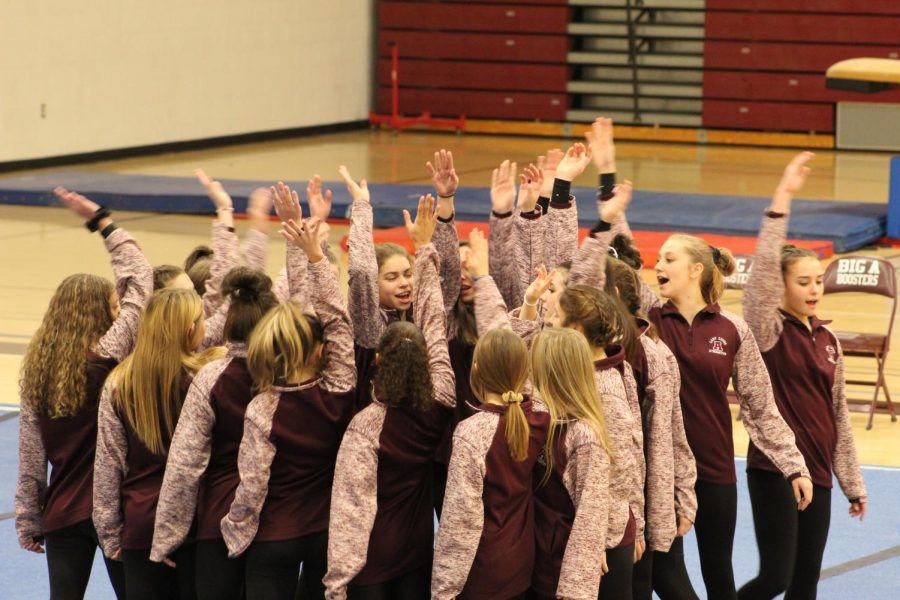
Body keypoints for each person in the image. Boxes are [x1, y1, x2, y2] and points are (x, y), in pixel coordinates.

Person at [612, 205, 813, 600]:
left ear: (696, 270)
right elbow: (626, 268)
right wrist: (613, 210)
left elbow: (760, 405)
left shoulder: (732, 329)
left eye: (670, 258)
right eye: (659, 259)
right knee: (665, 574)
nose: (659, 264)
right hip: (660, 471)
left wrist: (793, 466)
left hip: (716, 469)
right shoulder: (648, 320)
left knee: (718, 573)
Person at [150, 182, 315, 600]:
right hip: (279, 519)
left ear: (228, 321)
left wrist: (168, 533)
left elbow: (185, 464)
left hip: (220, 518)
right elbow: (291, 296)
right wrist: (297, 244)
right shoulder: (290, 369)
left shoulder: (212, 374)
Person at [738, 152, 867, 600]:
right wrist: (783, 198)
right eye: (804, 282)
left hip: (821, 472)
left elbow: (839, 416)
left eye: (818, 281)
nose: (814, 289)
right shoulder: (768, 330)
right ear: (782, 285)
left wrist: (852, 481)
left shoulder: (828, 338)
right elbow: (758, 285)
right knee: (776, 578)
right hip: (775, 469)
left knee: (805, 582)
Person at [16, 187, 152, 600]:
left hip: (62, 512)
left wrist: (28, 518)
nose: (118, 309)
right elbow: (141, 283)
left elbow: (30, 458)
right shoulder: (106, 359)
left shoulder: (38, 376)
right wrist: (103, 222)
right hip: (112, 511)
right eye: (112, 306)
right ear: (100, 313)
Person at [586, 117, 700, 600]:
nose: (652, 266)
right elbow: (610, 254)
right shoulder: (587, 341)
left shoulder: (655, 332)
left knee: (668, 582)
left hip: (656, 489)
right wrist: (606, 177)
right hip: (616, 496)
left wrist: (678, 493)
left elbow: (670, 431)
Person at [325, 194, 456, 599]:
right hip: (403, 531)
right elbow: (364, 280)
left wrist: (337, 580)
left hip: (379, 543)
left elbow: (432, 316)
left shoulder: (366, 428)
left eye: (408, 274)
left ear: (382, 361)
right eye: (393, 276)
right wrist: (425, 246)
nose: (405, 284)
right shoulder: (440, 396)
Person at [219, 215, 356, 600]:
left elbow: (253, 482)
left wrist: (236, 525)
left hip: (275, 536)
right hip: (324, 534)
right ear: (320, 350)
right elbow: (338, 323)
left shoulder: (263, 408)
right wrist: (317, 260)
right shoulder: (340, 388)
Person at [93, 286, 225, 600]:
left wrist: (110, 534)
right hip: (196, 524)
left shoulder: (117, 384)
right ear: (191, 330)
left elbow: (108, 467)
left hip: (140, 525)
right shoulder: (205, 379)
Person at [431, 327, 550, 600]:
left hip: (482, 574)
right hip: (521, 564)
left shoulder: (470, 434)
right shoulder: (539, 420)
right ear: (524, 374)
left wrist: (443, 590)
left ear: (476, 369)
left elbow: (460, 522)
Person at [529, 327, 612, 600]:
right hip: (536, 561)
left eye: (535, 364)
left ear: (550, 373)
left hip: (560, 574)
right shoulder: (542, 418)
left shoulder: (584, 437)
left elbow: (591, 515)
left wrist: (575, 586)